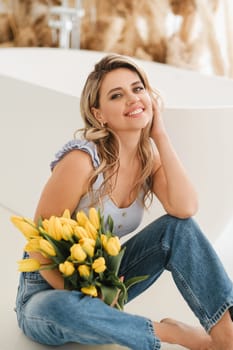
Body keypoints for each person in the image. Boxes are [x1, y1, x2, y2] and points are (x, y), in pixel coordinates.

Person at [15, 53, 233, 350]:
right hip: (46, 290)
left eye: (138, 88)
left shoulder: (147, 158)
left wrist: (161, 134)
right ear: (99, 113)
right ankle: (175, 334)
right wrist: (87, 295)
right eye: (117, 95)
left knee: (178, 229)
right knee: (64, 309)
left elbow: (185, 208)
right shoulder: (82, 161)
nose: (132, 98)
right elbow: (39, 249)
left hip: (107, 282)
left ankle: (225, 332)